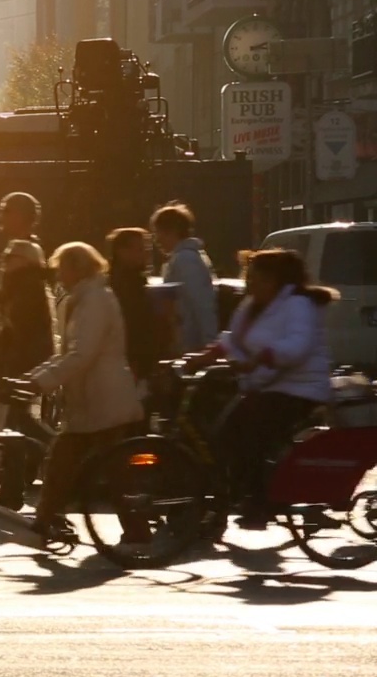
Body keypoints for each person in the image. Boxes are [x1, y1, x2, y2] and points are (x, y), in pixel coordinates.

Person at [188, 249, 335, 529]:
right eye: (249, 276)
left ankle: (259, 504)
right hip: (267, 383)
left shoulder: (297, 305)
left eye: (255, 277)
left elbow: (297, 347)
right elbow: (234, 339)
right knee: (225, 433)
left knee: (249, 431)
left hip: (298, 388)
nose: (249, 282)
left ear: (274, 279)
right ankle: (242, 494)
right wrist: (201, 358)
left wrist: (263, 357)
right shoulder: (253, 306)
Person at [22, 242, 145, 541]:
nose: (58, 275)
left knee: (110, 470)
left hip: (104, 398)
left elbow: (83, 354)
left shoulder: (96, 301)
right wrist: (34, 377)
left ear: (77, 268)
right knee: (68, 462)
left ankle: (137, 530)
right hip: (91, 400)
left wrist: (43, 381)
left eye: (62, 268)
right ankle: (46, 518)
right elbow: (67, 352)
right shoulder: (82, 299)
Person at [0, 239, 54, 511]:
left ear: (26, 261)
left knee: (16, 423)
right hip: (18, 361)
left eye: (13, 257)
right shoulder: (15, 286)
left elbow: (13, 330)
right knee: (15, 422)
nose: (6, 261)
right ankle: (13, 486)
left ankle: (54, 451)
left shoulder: (25, 287)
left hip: (23, 363)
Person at [152, 203, 217, 354]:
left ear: (172, 231)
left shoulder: (185, 260)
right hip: (187, 345)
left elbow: (201, 304)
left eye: (159, 232)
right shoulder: (183, 258)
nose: (157, 239)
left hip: (190, 347)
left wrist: (209, 346)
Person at [105, 228, 163, 381]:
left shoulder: (135, 281)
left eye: (148, 249)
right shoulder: (122, 285)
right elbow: (132, 324)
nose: (147, 254)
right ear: (121, 251)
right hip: (129, 362)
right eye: (140, 249)